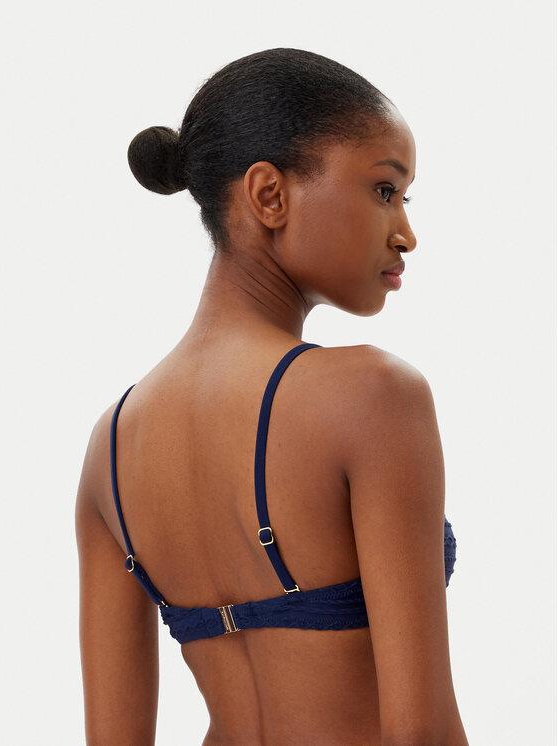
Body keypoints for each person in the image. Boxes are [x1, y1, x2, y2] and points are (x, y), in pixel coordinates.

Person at [75, 47, 468, 746]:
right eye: (385, 189)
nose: (406, 234)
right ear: (269, 196)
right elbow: (422, 733)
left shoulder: (110, 446)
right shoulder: (373, 397)